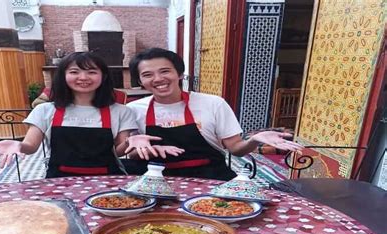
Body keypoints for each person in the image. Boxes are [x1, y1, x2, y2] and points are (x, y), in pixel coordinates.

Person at [0, 51, 181, 178]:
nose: (83, 78)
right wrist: (18, 144)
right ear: (63, 76)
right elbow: (30, 146)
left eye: (91, 72)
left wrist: (132, 141)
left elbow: (119, 151)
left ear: (103, 76)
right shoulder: (45, 110)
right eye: (74, 72)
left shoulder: (120, 111)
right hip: (59, 181)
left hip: (109, 180)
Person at [126, 47, 303, 180]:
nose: (158, 79)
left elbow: (236, 149)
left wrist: (255, 139)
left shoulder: (213, 103)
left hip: (210, 177)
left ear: (179, 74)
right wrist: (150, 150)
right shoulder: (133, 109)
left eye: (165, 71)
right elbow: (133, 154)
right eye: (148, 74)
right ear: (140, 81)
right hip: (155, 180)